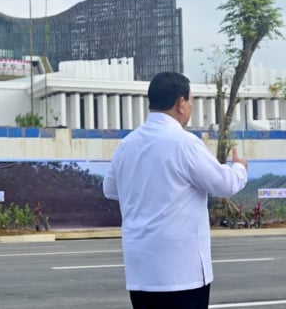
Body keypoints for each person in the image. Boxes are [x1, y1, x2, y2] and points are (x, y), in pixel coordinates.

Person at [103, 71, 248, 309]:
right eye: (191, 100)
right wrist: (239, 168)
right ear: (180, 103)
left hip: (141, 273)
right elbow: (226, 184)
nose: (191, 106)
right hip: (181, 274)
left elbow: (110, 189)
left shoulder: (126, 145)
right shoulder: (185, 143)